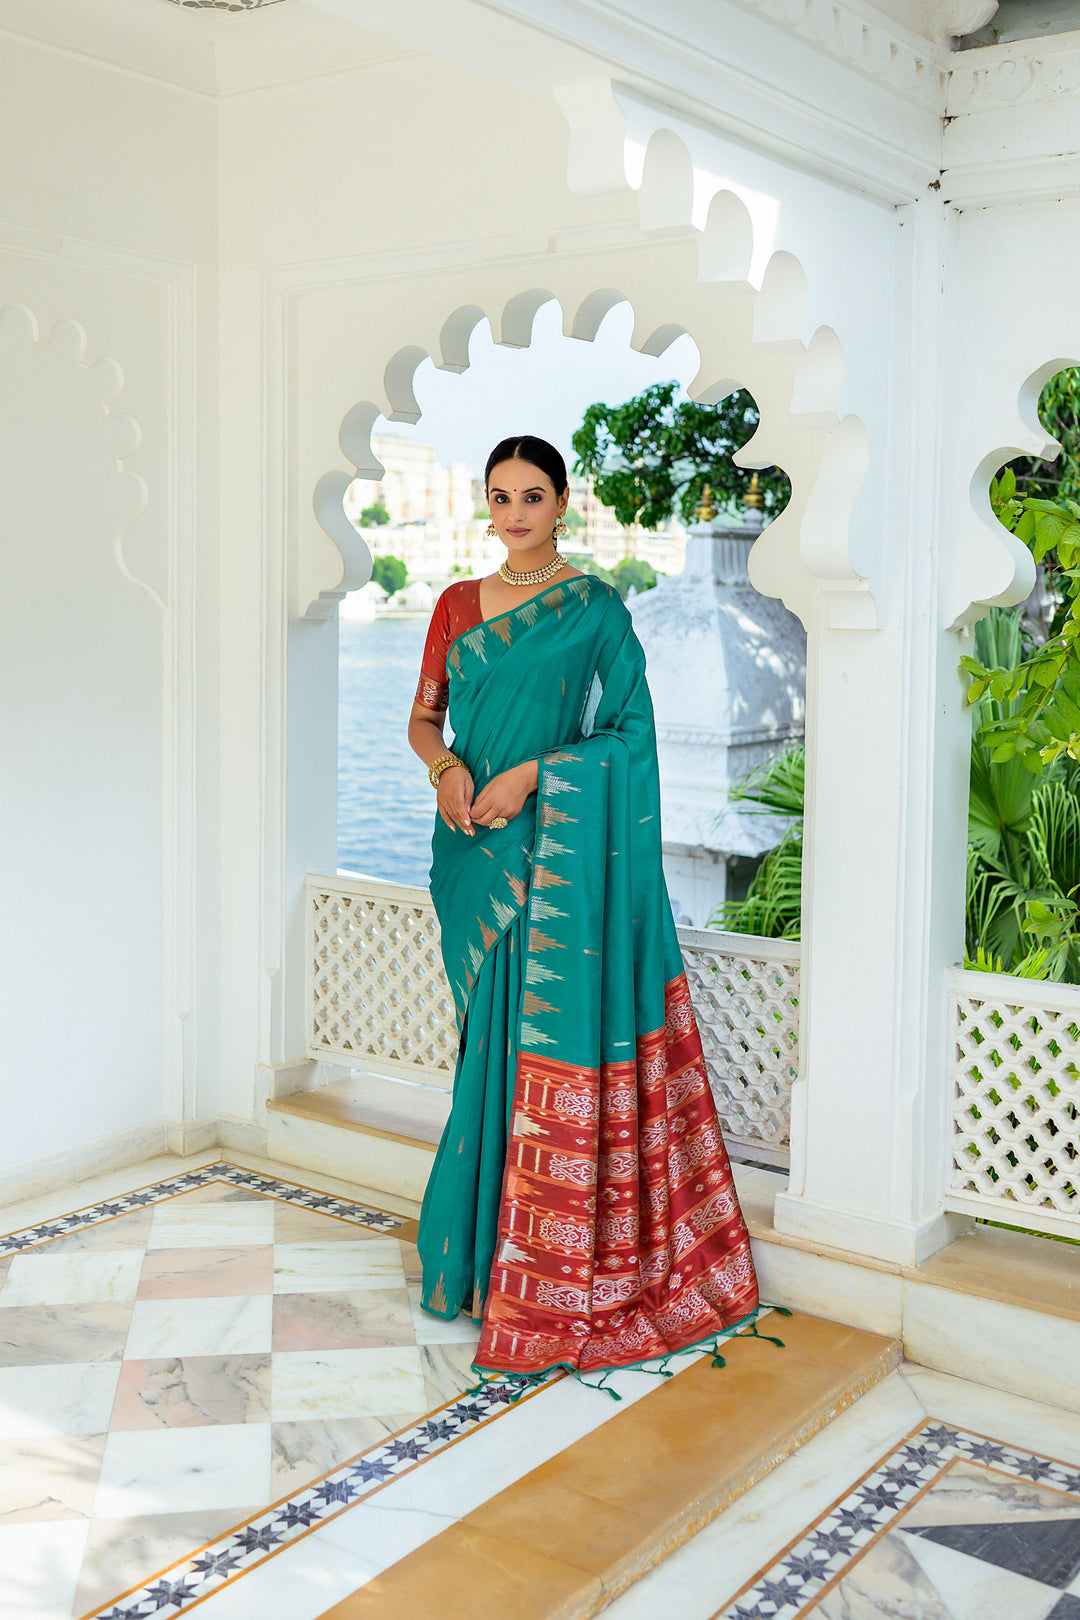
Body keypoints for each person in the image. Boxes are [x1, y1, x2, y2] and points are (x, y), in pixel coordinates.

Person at [406, 433, 759, 1383]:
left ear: (563, 503)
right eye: (498, 496)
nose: (513, 512)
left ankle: (544, 1262)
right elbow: (424, 716)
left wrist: (534, 776)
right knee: (487, 1045)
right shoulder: (453, 606)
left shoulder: (597, 611)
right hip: (473, 845)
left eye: (531, 495)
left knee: (531, 1041)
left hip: (550, 848)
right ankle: (477, 1260)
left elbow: (630, 736)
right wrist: (446, 769)